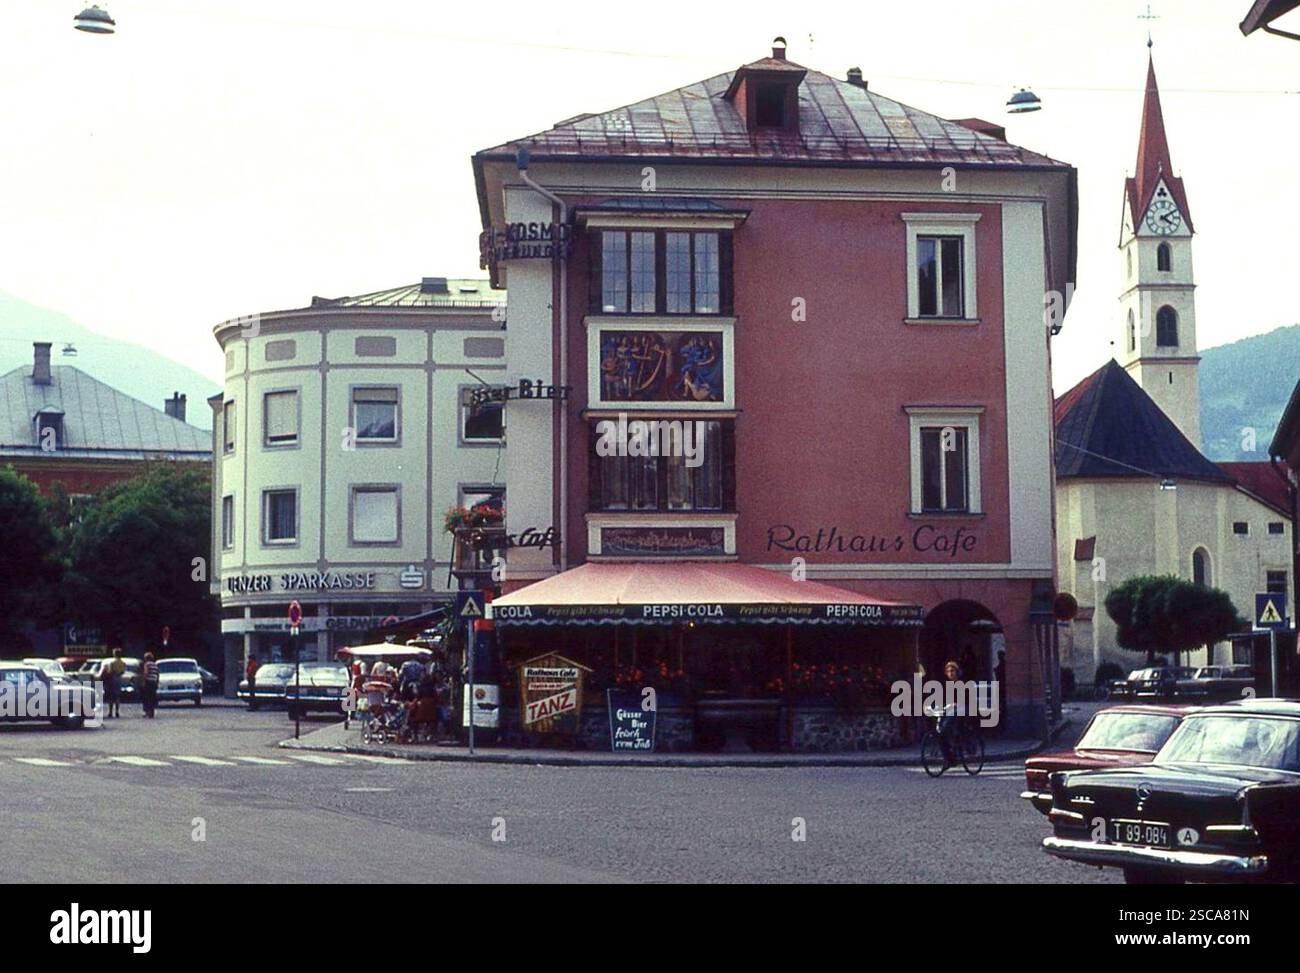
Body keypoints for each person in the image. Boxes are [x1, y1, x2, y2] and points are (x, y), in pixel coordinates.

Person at [937, 659, 964, 767]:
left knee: (947, 727)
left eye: (952, 671)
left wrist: (956, 704)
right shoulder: (946, 685)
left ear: (957, 672)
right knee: (940, 732)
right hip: (949, 710)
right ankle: (949, 758)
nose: (950, 673)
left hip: (962, 710)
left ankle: (954, 750)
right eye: (948, 671)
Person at [99, 648, 126, 719]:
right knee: (117, 696)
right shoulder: (123, 663)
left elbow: (110, 672)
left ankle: (110, 712)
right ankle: (117, 712)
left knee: (111, 696)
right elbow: (123, 671)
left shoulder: (112, 663)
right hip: (119, 679)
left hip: (112, 679)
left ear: (115, 654)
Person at [140, 652, 160, 718]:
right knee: (152, 697)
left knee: (146, 697)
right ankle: (152, 711)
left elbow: (146, 673)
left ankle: (147, 711)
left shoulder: (147, 664)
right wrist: (157, 682)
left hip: (148, 682)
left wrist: (143, 681)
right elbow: (157, 674)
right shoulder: (155, 665)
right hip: (154, 682)